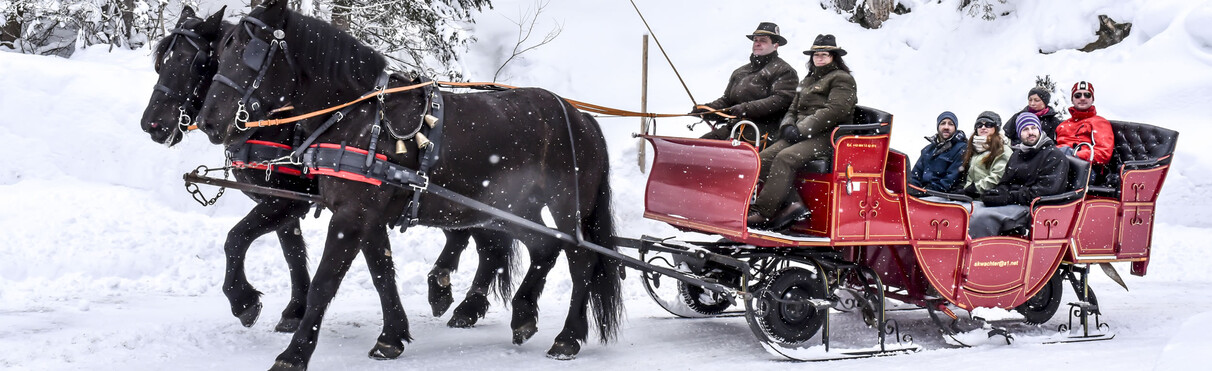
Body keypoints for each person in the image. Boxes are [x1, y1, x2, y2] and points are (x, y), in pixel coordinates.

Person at [747, 34, 857, 229]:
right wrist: (787, 126)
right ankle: (792, 203)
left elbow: (834, 111)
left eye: (824, 54)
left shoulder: (842, 79)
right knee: (762, 159)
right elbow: (792, 108)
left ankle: (763, 212)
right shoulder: (807, 80)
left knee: (785, 158)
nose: (819, 58)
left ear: (834, 56)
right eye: (816, 54)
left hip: (827, 136)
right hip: (800, 133)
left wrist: (802, 129)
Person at [692, 22, 799, 147]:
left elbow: (781, 100)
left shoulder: (784, 71)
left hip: (762, 131)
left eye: (763, 41)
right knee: (697, 147)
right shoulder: (740, 72)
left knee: (722, 154)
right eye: (755, 40)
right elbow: (727, 100)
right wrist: (708, 109)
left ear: (775, 45)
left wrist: (746, 108)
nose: (757, 43)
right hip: (734, 127)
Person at [968, 114, 1069, 239]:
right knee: (974, 210)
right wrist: (997, 192)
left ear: (1039, 129)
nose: (1030, 132)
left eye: (1033, 128)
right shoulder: (1018, 154)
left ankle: (982, 253)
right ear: (1019, 133)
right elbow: (1006, 181)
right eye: (1025, 129)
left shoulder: (1054, 156)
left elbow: (1046, 191)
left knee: (983, 217)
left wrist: (1009, 197)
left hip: (1035, 208)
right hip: (1017, 203)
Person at [1054, 81, 1113, 165]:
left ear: (1092, 99)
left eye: (1087, 95)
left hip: (1083, 166)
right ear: (1072, 100)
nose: (1082, 98)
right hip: (1057, 163)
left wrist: (1073, 155)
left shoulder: (1100, 123)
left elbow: (1103, 153)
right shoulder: (1062, 125)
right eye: (1078, 95)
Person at [910, 111, 967, 193]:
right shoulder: (928, 150)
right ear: (938, 127)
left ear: (955, 128)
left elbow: (950, 179)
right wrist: (913, 189)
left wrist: (926, 192)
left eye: (950, 124)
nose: (946, 127)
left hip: (942, 196)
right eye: (943, 123)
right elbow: (915, 174)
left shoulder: (961, 148)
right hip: (922, 194)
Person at [960, 111, 1012, 197]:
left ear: (996, 128)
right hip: (969, 198)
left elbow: (997, 177)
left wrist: (975, 189)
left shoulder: (1003, 150)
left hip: (987, 199)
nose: (983, 127)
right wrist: (962, 187)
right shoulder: (972, 149)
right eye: (979, 125)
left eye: (988, 124)